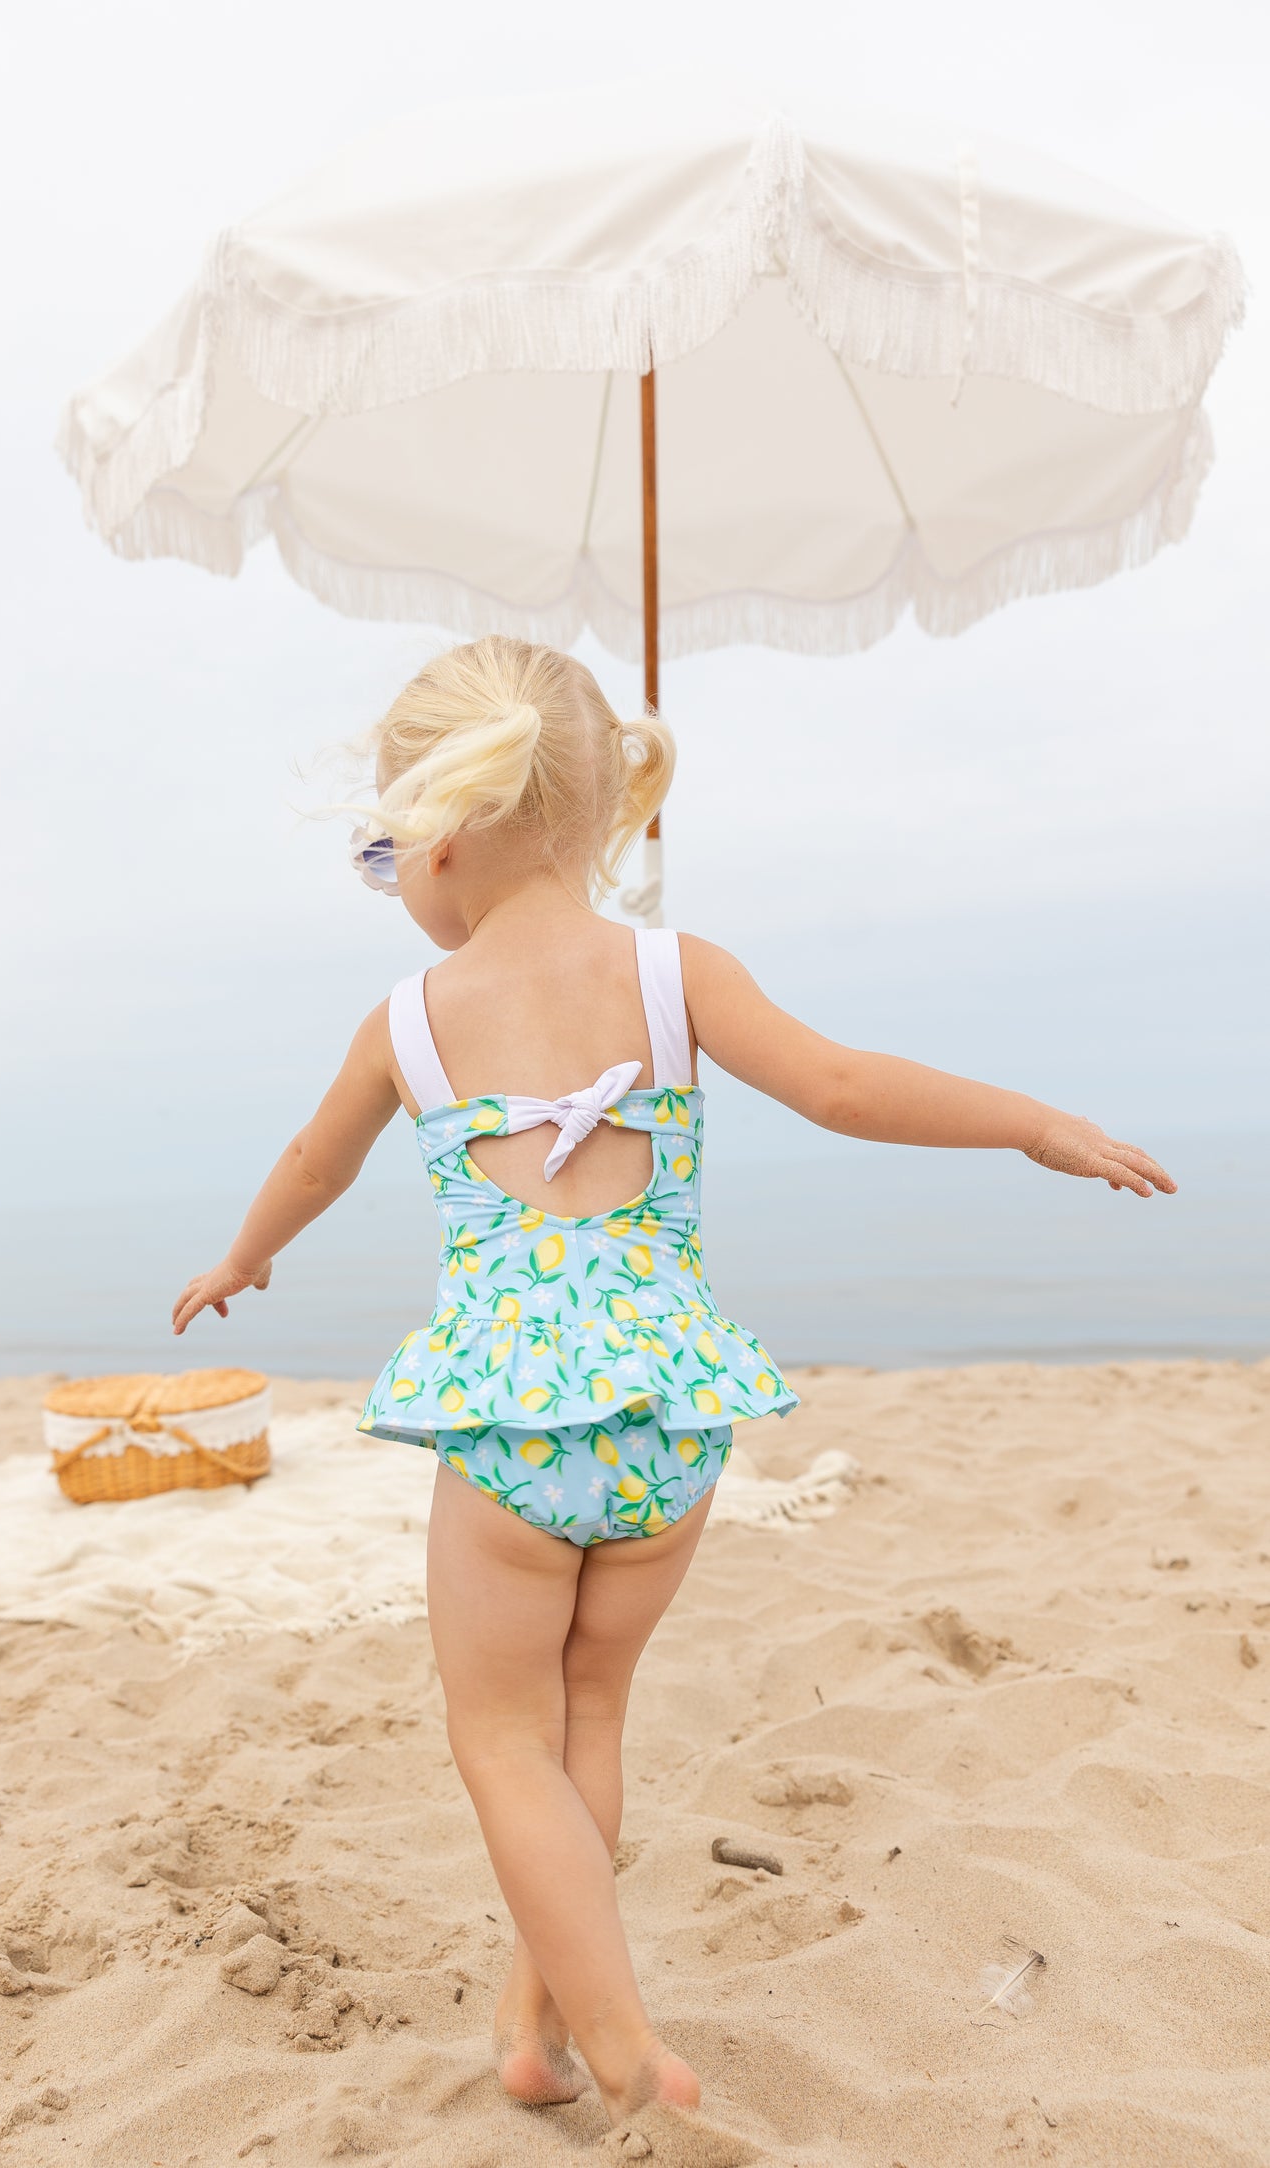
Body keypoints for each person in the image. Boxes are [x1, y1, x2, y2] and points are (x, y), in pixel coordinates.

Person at [171, 635, 1173, 2126]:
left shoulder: (409, 1020)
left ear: (442, 835)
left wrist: (243, 1259)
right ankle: (534, 2026)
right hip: (671, 1429)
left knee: (500, 1740)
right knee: (589, 1721)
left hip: (511, 1431)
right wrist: (1029, 1123)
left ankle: (624, 2044)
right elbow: (839, 1086)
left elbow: (316, 1160)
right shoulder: (669, 973)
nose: (394, 883)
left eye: (386, 853)